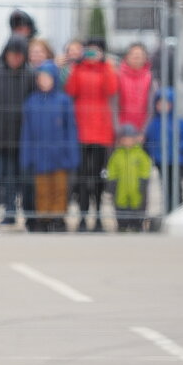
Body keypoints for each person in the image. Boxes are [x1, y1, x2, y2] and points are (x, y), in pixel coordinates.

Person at [0, 35, 33, 231]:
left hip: (19, 141)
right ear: (6, 54)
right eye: (12, 54)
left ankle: (11, 216)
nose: (15, 59)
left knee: (14, 182)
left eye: (19, 55)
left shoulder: (29, 77)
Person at [19, 61, 79, 232]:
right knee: (42, 189)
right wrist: (27, 156)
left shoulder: (64, 101)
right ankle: (44, 218)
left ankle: (58, 218)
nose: (44, 81)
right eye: (41, 78)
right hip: (40, 157)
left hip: (60, 156)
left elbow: (71, 130)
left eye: (47, 78)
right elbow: (27, 132)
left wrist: (71, 155)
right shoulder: (31, 102)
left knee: (60, 188)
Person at [64, 38, 117, 231]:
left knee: (98, 178)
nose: (92, 55)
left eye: (96, 51)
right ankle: (83, 217)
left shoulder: (106, 69)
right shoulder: (79, 69)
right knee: (82, 179)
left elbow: (112, 89)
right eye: (89, 51)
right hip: (81, 131)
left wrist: (106, 65)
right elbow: (71, 90)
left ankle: (99, 217)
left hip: (101, 132)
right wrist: (74, 66)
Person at [144, 88, 183, 214]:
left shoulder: (180, 122)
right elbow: (149, 141)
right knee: (165, 187)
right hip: (161, 161)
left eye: (166, 103)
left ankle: (180, 211)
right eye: (160, 103)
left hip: (177, 161)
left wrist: (181, 149)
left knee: (177, 186)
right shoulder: (153, 124)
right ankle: (168, 211)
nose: (163, 106)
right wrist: (153, 153)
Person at [106, 123, 152, 232]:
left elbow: (145, 168)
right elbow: (112, 170)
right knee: (120, 204)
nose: (127, 142)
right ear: (120, 140)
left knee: (138, 205)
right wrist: (111, 183)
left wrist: (143, 181)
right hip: (121, 188)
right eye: (125, 139)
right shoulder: (116, 155)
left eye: (130, 139)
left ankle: (136, 224)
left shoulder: (140, 154)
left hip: (136, 188)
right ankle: (122, 224)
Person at [116, 42, 154, 135]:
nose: (136, 58)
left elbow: (151, 107)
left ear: (145, 58)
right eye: (133, 54)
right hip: (121, 129)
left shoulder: (150, 78)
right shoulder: (117, 76)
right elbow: (113, 105)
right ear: (127, 57)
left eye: (140, 55)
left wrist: (144, 130)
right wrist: (117, 129)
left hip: (142, 129)